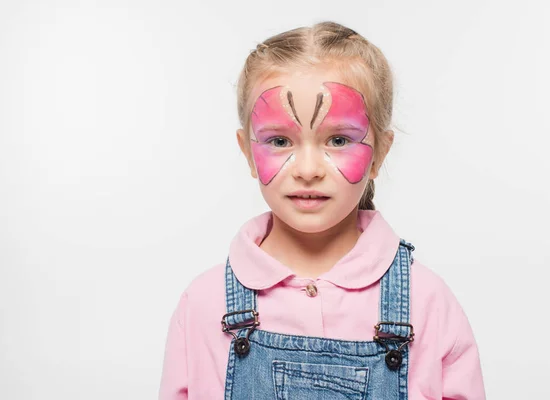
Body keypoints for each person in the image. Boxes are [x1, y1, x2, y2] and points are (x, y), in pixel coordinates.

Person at [158, 21, 485, 400]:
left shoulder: (426, 303)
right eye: (280, 140)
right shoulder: (204, 304)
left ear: (380, 152)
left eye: (338, 139)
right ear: (247, 151)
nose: (308, 169)